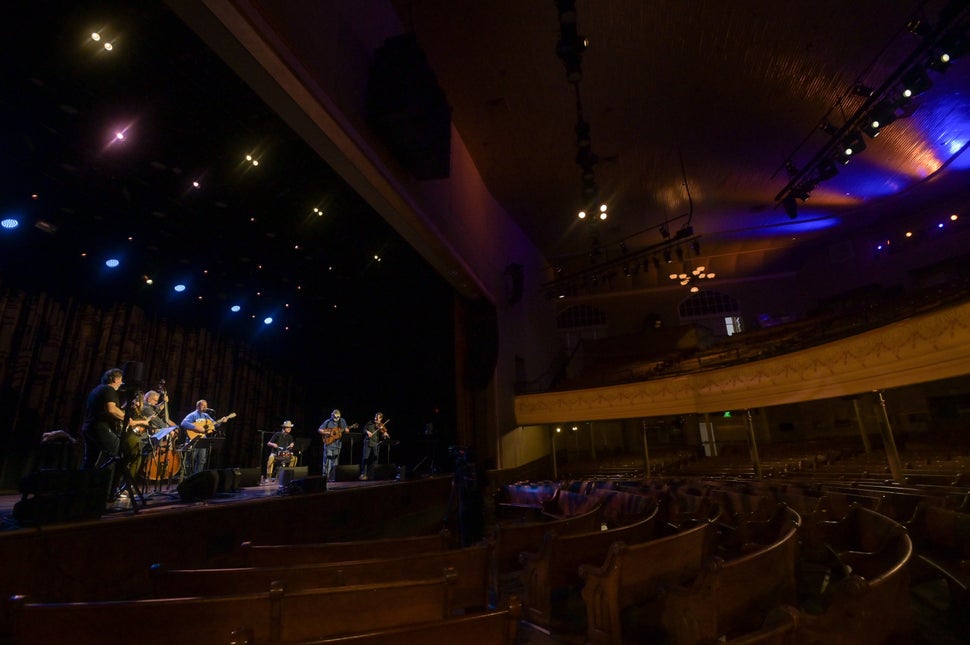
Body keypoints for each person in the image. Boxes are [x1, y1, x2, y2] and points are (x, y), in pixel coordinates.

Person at [79, 368, 127, 500]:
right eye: (121, 380)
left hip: (89, 427)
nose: (121, 383)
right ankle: (105, 492)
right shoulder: (109, 390)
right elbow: (111, 409)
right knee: (114, 454)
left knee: (90, 459)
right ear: (115, 379)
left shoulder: (98, 389)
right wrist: (126, 417)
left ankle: (81, 490)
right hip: (99, 427)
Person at [180, 399, 215, 476]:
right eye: (203, 405)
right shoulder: (192, 415)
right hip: (193, 439)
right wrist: (196, 428)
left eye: (206, 406)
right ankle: (187, 477)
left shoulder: (206, 416)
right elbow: (183, 423)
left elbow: (214, 424)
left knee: (202, 460)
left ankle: (197, 477)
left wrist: (222, 421)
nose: (205, 407)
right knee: (191, 460)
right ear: (198, 406)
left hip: (203, 440)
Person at [318, 409, 349, 481]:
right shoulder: (327, 421)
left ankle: (332, 477)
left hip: (338, 444)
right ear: (332, 415)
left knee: (335, 462)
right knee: (327, 461)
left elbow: (346, 429)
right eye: (335, 417)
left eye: (338, 417)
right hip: (329, 443)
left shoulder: (342, 421)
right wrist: (328, 433)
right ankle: (325, 477)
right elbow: (319, 429)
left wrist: (347, 430)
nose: (337, 419)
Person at [359, 412, 389, 481]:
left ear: (381, 419)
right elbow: (363, 429)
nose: (376, 418)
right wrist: (367, 432)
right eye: (375, 417)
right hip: (367, 442)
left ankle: (373, 474)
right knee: (365, 458)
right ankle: (363, 474)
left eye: (378, 418)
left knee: (375, 459)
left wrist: (384, 435)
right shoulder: (370, 423)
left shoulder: (381, 426)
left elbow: (382, 437)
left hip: (376, 443)